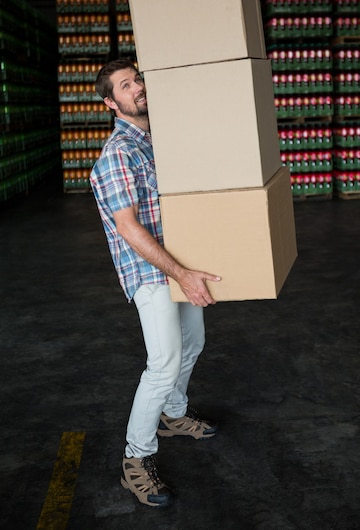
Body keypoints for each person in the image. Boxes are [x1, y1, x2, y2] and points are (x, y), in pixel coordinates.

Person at [90, 58, 221, 508]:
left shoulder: (156, 141)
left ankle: (174, 413)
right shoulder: (118, 155)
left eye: (138, 79)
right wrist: (180, 273)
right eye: (126, 85)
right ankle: (135, 459)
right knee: (163, 362)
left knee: (194, 343)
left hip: (180, 261)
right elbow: (128, 227)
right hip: (150, 272)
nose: (138, 87)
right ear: (111, 103)